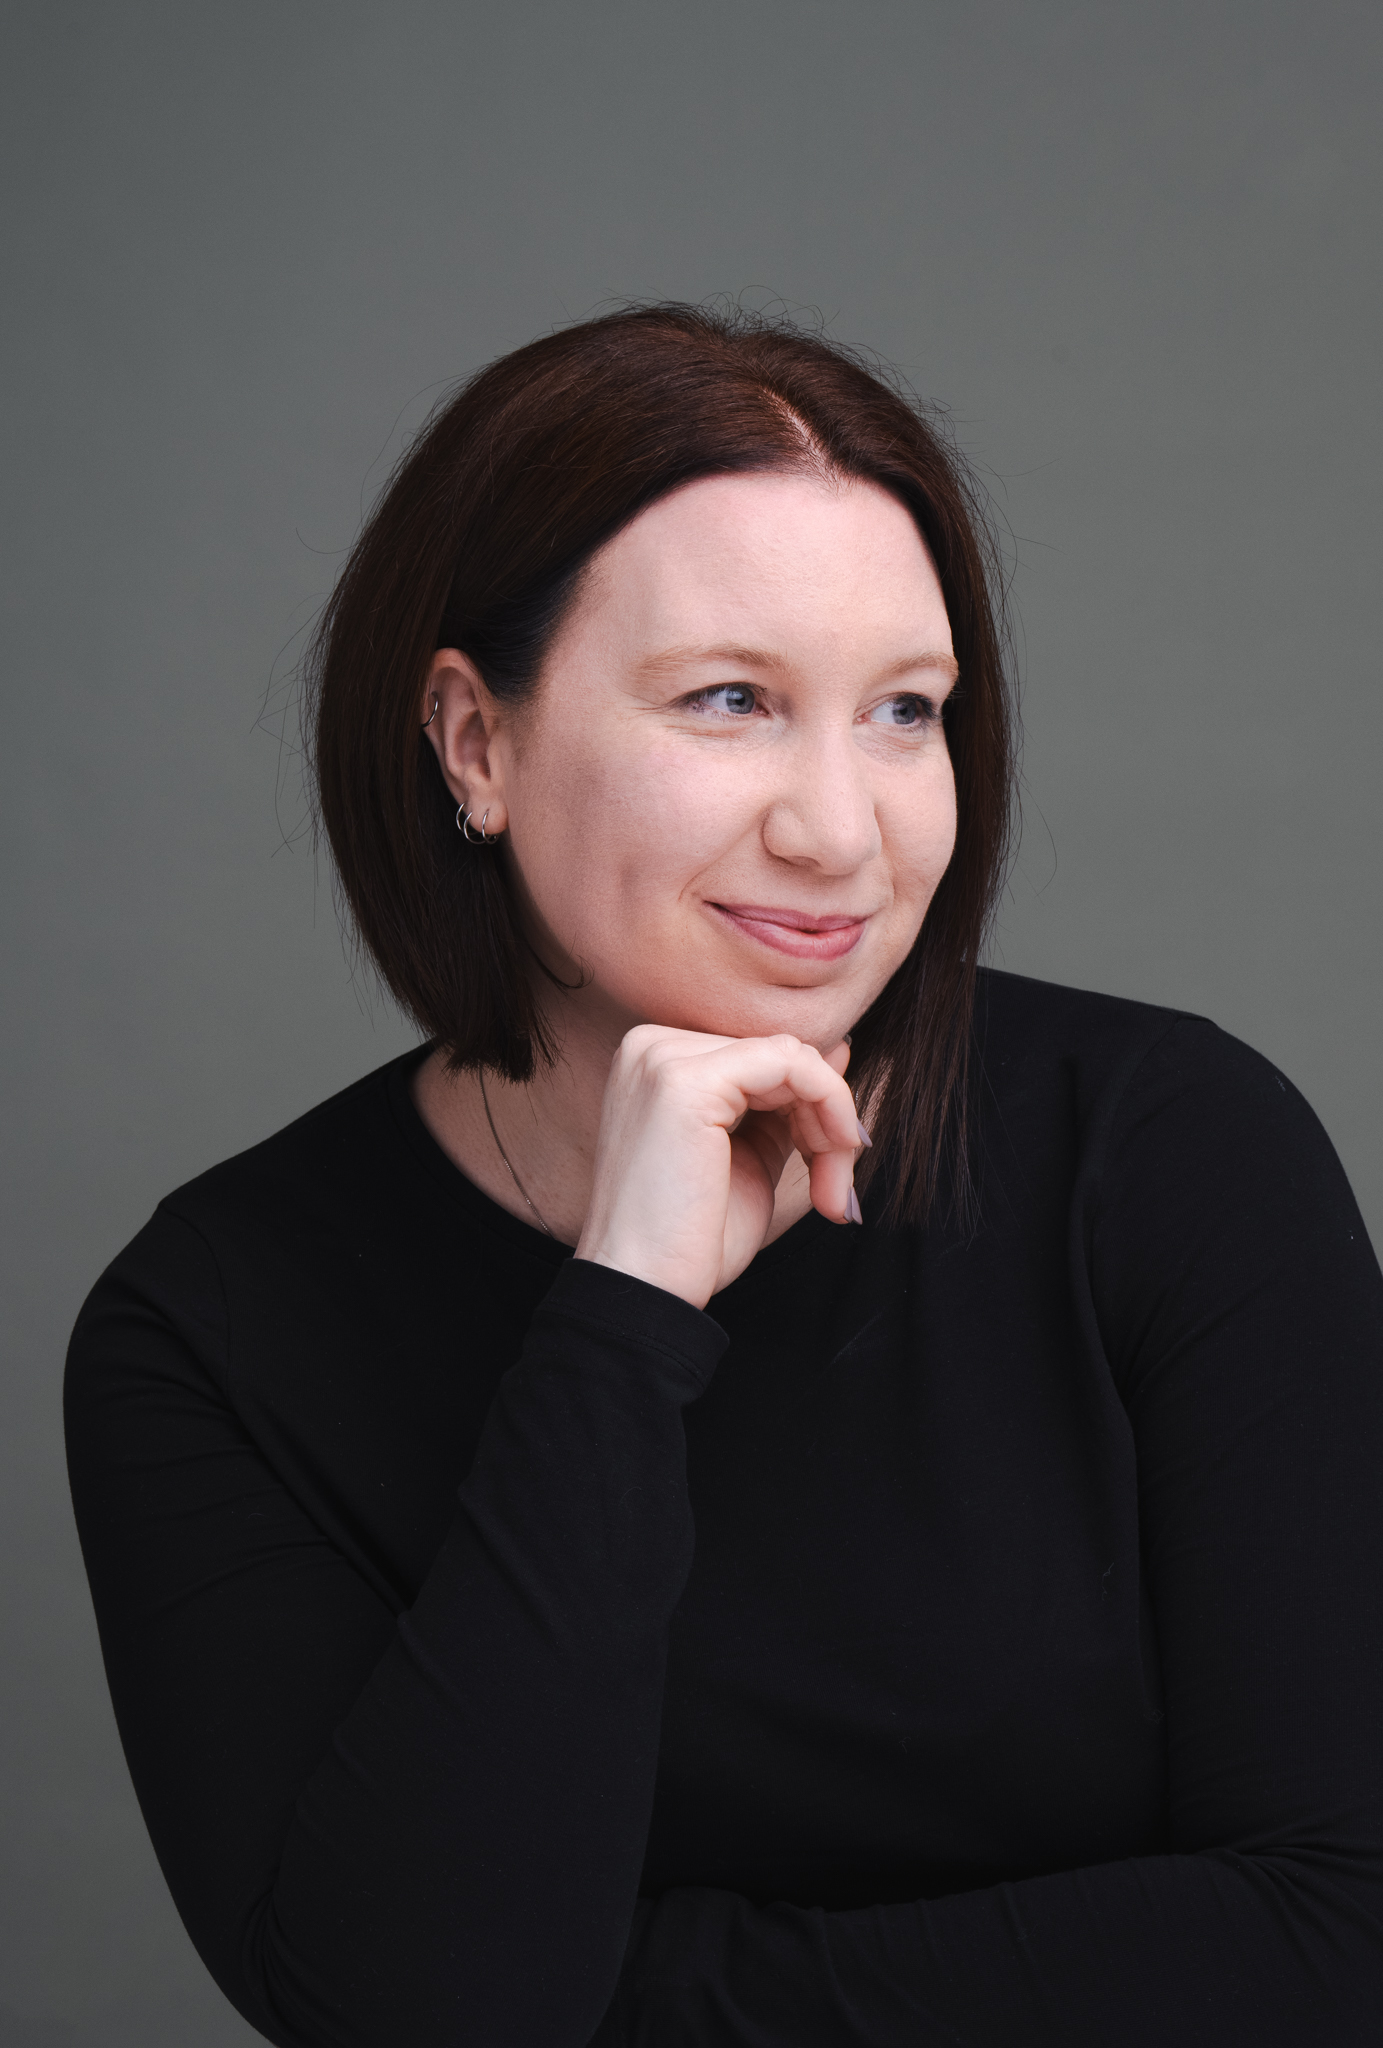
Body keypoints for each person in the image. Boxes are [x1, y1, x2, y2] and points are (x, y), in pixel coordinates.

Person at [65, 303, 1383, 2048]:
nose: (841, 830)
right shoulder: (214, 1328)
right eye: (731, 701)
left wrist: (634, 2002)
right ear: (475, 744)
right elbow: (411, 2014)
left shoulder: (1170, 1154)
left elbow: (1344, 1932)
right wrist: (619, 1316)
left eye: (905, 712)